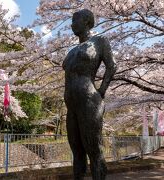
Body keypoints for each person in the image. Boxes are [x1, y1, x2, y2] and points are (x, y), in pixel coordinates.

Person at [63, 9, 117, 180]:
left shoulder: (99, 41)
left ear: (86, 21)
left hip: (89, 102)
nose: (72, 24)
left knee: (94, 149)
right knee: (77, 151)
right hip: (71, 106)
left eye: (75, 20)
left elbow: (112, 66)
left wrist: (101, 91)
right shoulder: (72, 51)